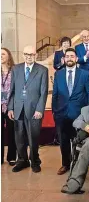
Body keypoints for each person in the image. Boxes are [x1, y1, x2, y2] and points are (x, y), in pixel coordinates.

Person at [52, 48, 89, 175]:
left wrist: (88, 115)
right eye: (67, 56)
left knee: (79, 141)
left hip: (79, 114)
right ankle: (65, 164)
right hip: (61, 114)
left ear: (76, 59)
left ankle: (80, 164)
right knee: (63, 141)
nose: (70, 58)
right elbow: (55, 94)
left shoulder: (84, 74)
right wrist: (55, 111)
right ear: (64, 59)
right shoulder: (58, 74)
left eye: (72, 56)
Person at [7, 45, 48, 173]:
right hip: (18, 108)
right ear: (23, 55)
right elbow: (12, 90)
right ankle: (22, 160)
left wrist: (40, 109)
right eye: (26, 54)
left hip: (34, 109)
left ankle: (35, 161)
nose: (28, 57)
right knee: (19, 137)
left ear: (35, 55)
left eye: (31, 54)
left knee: (33, 137)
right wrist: (10, 108)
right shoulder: (16, 69)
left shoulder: (42, 70)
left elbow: (44, 92)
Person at [1, 48, 17, 165]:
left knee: (12, 131)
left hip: (11, 105)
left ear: (8, 56)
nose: (1, 56)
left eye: (3, 54)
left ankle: (11, 157)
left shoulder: (15, 71)